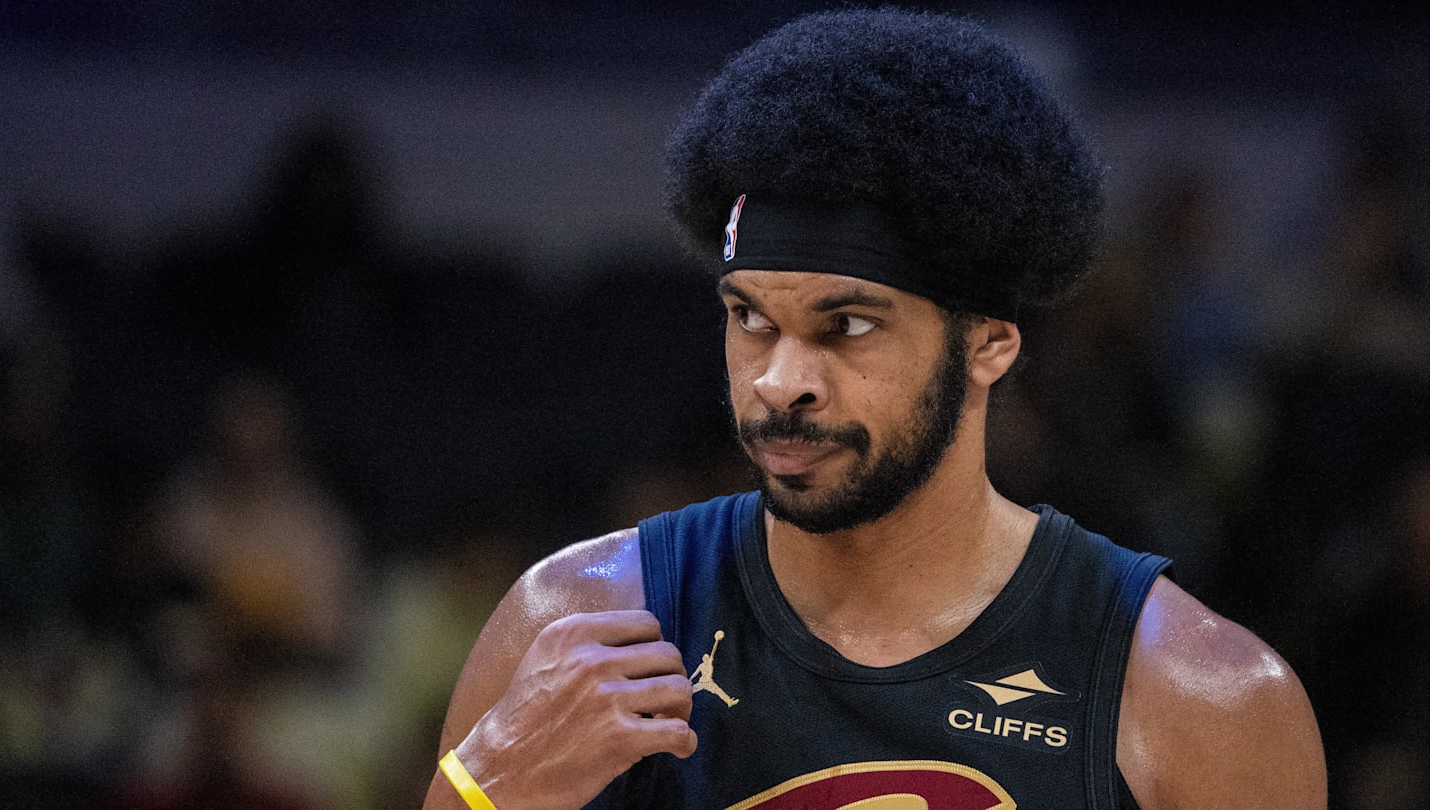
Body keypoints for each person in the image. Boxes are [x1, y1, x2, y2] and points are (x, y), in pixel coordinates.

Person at [425, 9, 1326, 809]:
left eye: (847, 325)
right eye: (751, 319)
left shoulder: (1202, 696)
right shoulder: (575, 621)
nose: (780, 382)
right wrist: (491, 793)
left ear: (989, 343)